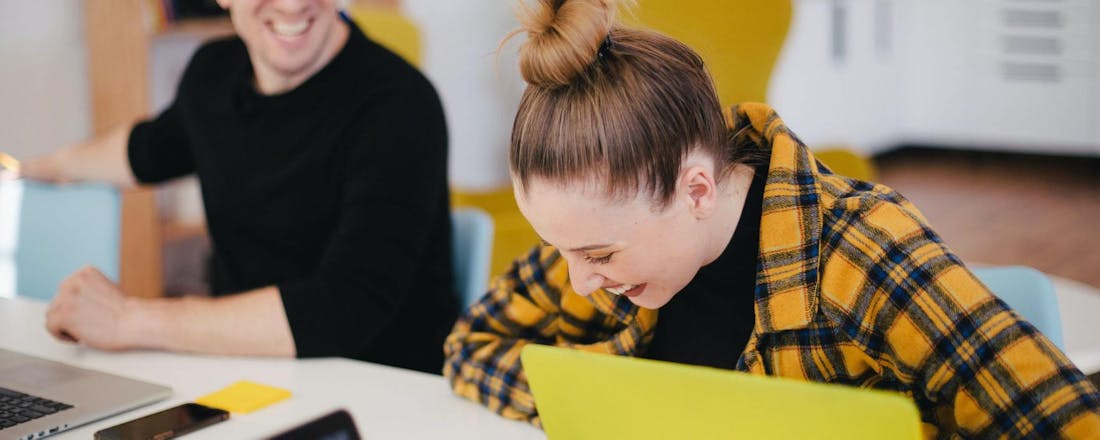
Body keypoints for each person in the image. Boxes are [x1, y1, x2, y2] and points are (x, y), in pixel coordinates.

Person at [442, 0, 1100, 435]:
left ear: (696, 189)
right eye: (562, 250)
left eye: (599, 256)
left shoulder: (863, 252)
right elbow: (470, 348)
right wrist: (598, 400)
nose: (579, 281)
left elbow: (1065, 422)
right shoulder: (605, 246)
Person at [18, 0, 457, 375]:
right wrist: (37, 166)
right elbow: (147, 149)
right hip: (245, 374)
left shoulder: (400, 105)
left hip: (381, 395)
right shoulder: (214, 72)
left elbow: (342, 310)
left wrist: (127, 320)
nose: (290, 5)